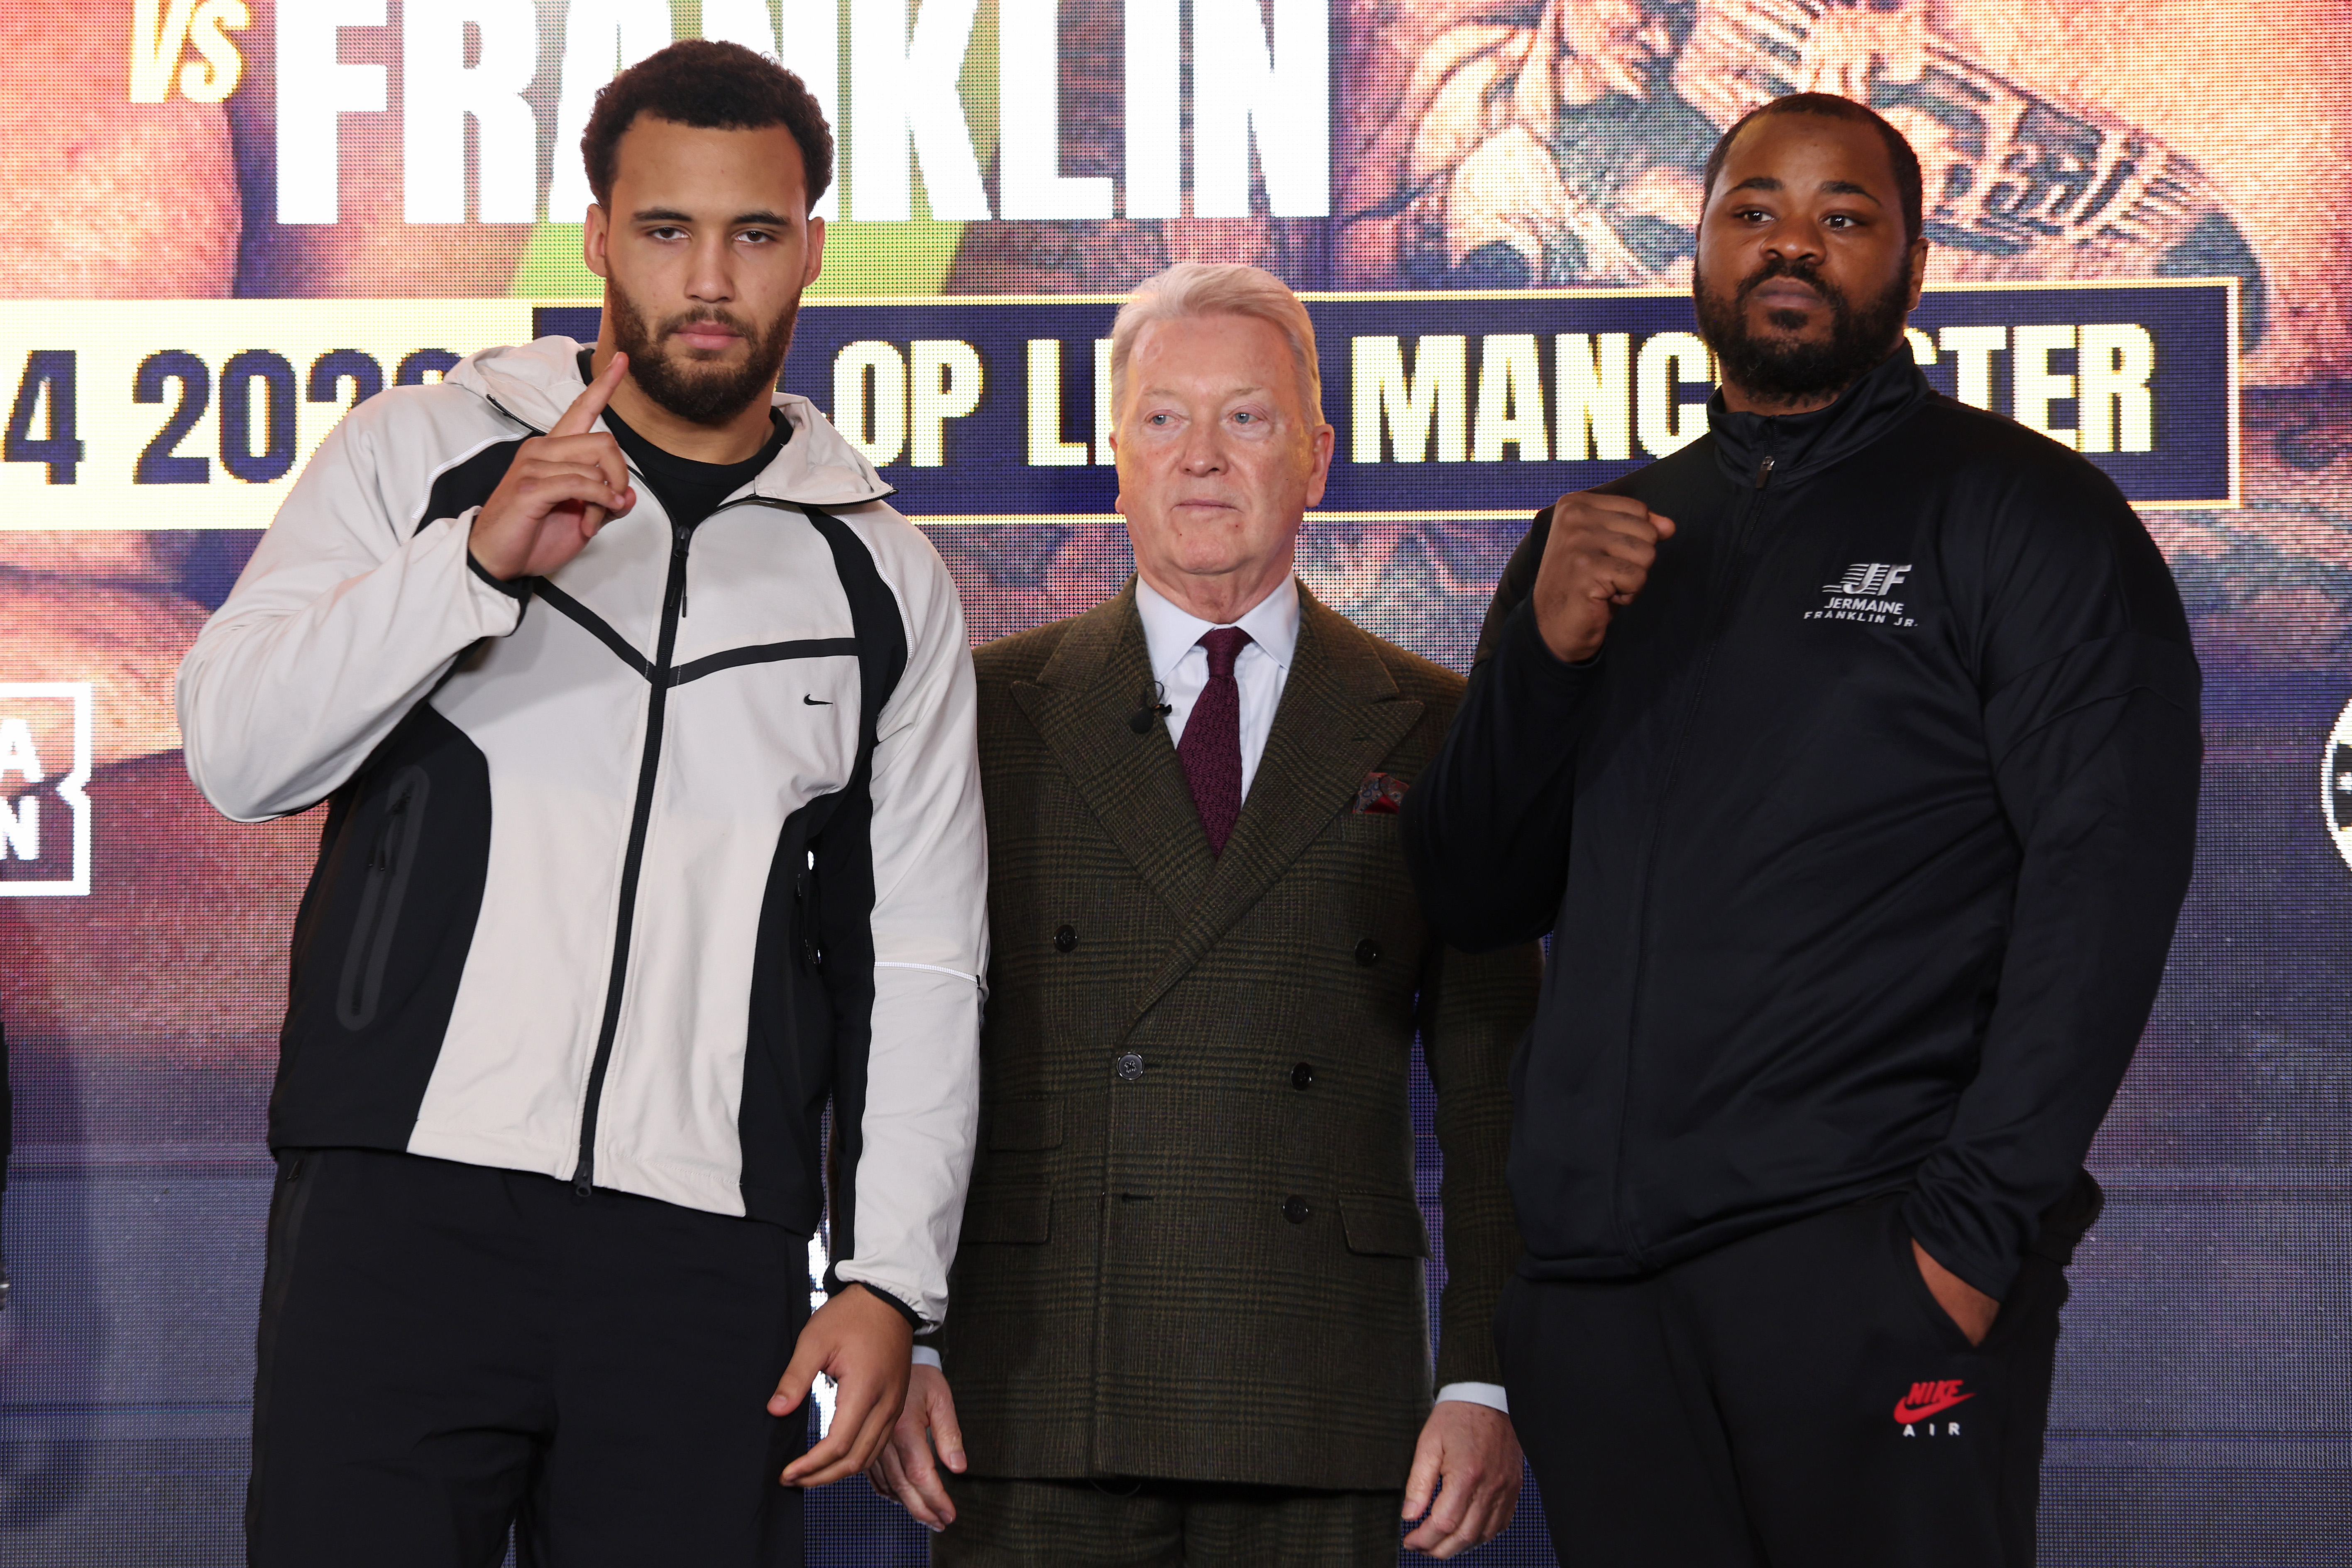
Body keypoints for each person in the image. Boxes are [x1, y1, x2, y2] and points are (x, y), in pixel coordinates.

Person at [175, 40, 987, 1567]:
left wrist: (887, 1276)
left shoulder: (884, 578)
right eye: (665, 229)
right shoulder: (421, 453)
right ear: (600, 234)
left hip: (703, 1261)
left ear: (810, 248)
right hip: (402, 1214)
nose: (708, 279)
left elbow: (924, 963)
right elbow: (233, 746)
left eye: (752, 235)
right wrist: (468, 568)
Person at [1401, 93, 2202, 1566]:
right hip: (1601, 1305)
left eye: (1843, 218)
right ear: (1697, 251)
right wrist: (1540, 657)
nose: (1793, 245)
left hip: (1865, 1275)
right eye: (1752, 210)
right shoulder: (1605, 533)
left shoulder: (2022, 514)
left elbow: (2101, 896)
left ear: (1910, 268)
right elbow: (1472, 889)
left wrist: (1960, 1251)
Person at [867, 262, 1541, 1565]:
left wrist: (1482, 1374)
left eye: (1247, 417)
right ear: (1113, 457)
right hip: (1035, 1381)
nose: (1202, 458)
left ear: (1316, 457)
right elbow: (892, 1032)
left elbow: (1495, 1083)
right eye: (1164, 419)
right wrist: (908, 1323)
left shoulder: (1439, 724)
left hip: (1323, 1390)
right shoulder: (983, 709)